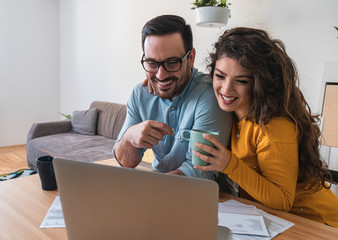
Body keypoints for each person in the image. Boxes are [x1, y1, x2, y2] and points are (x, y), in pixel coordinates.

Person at [193, 27, 338, 227]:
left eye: (241, 81)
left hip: (316, 224)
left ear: (260, 84)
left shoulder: (273, 127)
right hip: (272, 221)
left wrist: (230, 165)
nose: (226, 89)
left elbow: (283, 200)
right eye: (220, 76)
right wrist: (156, 80)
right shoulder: (231, 111)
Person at [113, 15, 235, 191]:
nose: (161, 75)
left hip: (201, 196)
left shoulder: (209, 95)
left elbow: (200, 172)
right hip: (161, 189)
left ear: (191, 58)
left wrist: (149, 190)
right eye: (152, 63)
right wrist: (129, 137)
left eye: (172, 63)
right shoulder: (140, 94)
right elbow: (126, 162)